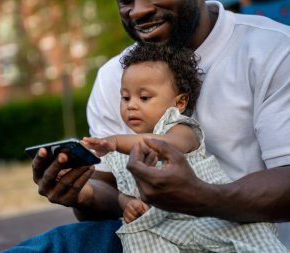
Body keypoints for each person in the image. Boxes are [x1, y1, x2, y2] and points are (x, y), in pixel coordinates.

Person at [3, 1, 290, 252]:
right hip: (152, 239)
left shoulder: (274, 50)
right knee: (48, 247)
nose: (139, 10)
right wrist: (82, 193)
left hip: (235, 238)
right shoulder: (115, 76)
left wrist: (200, 197)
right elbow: (106, 191)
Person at [82, 42, 287, 252]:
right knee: (136, 238)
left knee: (250, 239)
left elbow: (166, 145)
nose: (131, 105)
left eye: (144, 97)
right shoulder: (123, 150)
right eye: (125, 97)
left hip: (208, 217)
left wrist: (115, 142)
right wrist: (127, 203)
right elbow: (126, 189)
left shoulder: (180, 128)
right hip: (163, 228)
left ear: (179, 103)